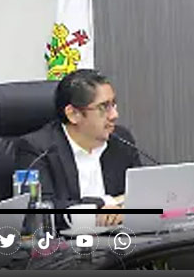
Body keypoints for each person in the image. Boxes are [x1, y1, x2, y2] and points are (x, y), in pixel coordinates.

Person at [15, 69, 141, 227]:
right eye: (103, 107)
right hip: (66, 240)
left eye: (113, 104)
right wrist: (103, 204)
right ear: (73, 114)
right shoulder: (38, 149)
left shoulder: (121, 140)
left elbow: (141, 194)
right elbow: (41, 209)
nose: (114, 115)